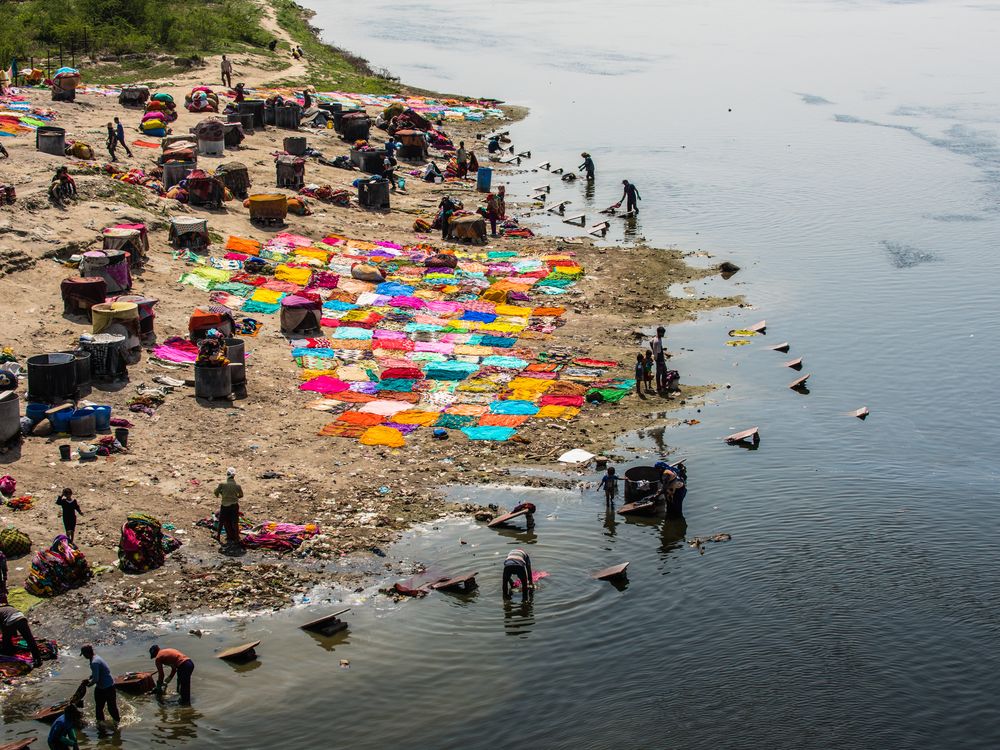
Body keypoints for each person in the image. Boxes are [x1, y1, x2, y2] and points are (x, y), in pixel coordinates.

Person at [80, 644, 119, 726]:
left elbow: (96, 679)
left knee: (99, 708)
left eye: (83, 654)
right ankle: (117, 723)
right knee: (112, 708)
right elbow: (98, 673)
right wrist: (90, 677)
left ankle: (101, 727)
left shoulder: (94, 662)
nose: (83, 656)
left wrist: (88, 685)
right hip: (111, 685)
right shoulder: (97, 657)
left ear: (87, 653)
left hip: (103, 688)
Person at [213, 468, 243, 548]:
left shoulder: (222, 484)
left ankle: (218, 536)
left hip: (225, 505)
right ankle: (236, 538)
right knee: (235, 522)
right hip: (234, 505)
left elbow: (216, 492)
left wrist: (222, 495)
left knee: (221, 520)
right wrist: (234, 497)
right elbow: (241, 495)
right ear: (234, 476)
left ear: (227, 475)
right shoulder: (237, 486)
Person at [651, 326, 669, 393]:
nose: (663, 335)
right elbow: (659, 352)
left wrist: (653, 351)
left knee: (660, 373)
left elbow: (650, 342)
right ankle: (661, 387)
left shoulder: (655, 338)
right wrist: (660, 360)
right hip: (659, 359)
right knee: (662, 373)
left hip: (658, 358)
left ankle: (660, 386)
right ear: (659, 333)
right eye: (663, 333)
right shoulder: (657, 341)